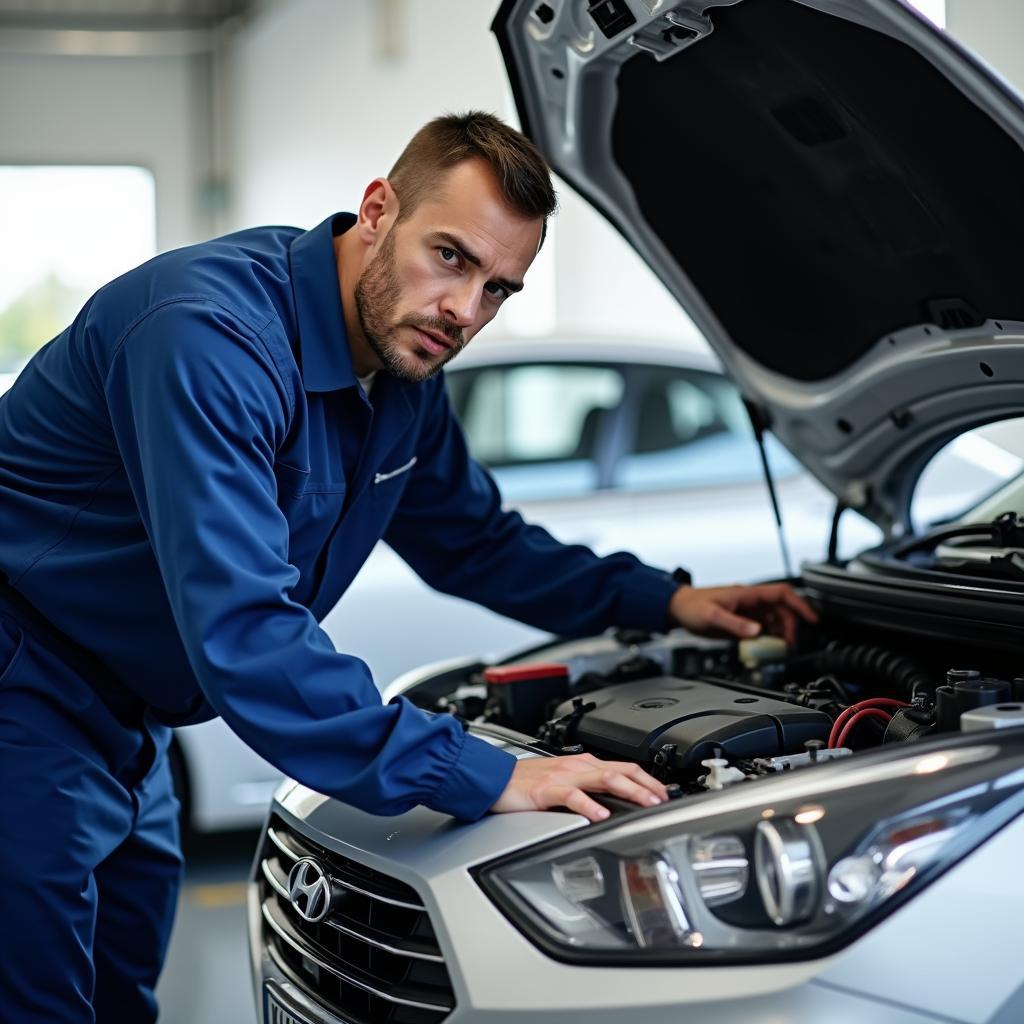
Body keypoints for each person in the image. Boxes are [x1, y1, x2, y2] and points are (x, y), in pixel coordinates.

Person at [0, 111, 816, 1021]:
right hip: (23, 681)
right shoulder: (206, 337)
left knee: (118, 994)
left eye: (500, 289)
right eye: (453, 258)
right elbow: (245, 631)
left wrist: (668, 600)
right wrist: (490, 774)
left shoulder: (402, 377)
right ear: (378, 209)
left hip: (132, 715)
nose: (465, 312)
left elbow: (477, 543)